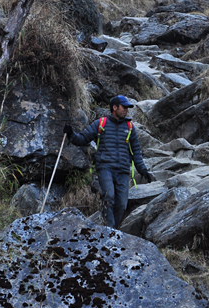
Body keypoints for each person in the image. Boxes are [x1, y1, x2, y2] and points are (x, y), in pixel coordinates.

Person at [64, 95, 154, 228]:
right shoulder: (100, 124)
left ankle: (114, 231)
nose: (126, 110)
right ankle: (109, 229)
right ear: (114, 107)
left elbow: (136, 151)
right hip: (105, 168)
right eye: (124, 107)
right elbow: (83, 139)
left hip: (123, 171)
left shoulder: (129, 127)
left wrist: (143, 170)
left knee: (122, 204)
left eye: (128, 108)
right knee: (109, 196)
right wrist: (71, 134)